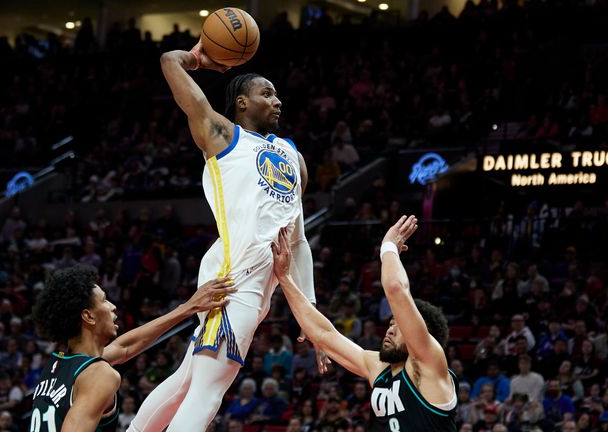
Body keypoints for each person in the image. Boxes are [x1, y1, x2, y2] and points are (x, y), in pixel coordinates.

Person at [130, 38, 320, 432]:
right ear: (242, 103)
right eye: (267, 93)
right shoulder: (222, 136)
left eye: (278, 94)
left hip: (256, 286)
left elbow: (298, 240)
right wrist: (201, 57)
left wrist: (309, 311)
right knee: (207, 392)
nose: (278, 100)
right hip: (236, 281)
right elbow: (169, 61)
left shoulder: (292, 157)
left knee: (187, 384)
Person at [272, 215, 458, 431]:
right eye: (390, 324)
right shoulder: (379, 367)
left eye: (399, 326)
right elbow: (324, 334)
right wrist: (285, 278)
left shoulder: (430, 363)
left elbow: (396, 289)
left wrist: (388, 247)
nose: (390, 330)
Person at [29, 265, 235, 432]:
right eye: (104, 301)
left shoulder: (60, 363)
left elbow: (125, 347)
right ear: (88, 316)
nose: (112, 306)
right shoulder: (98, 375)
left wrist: (188, 308)